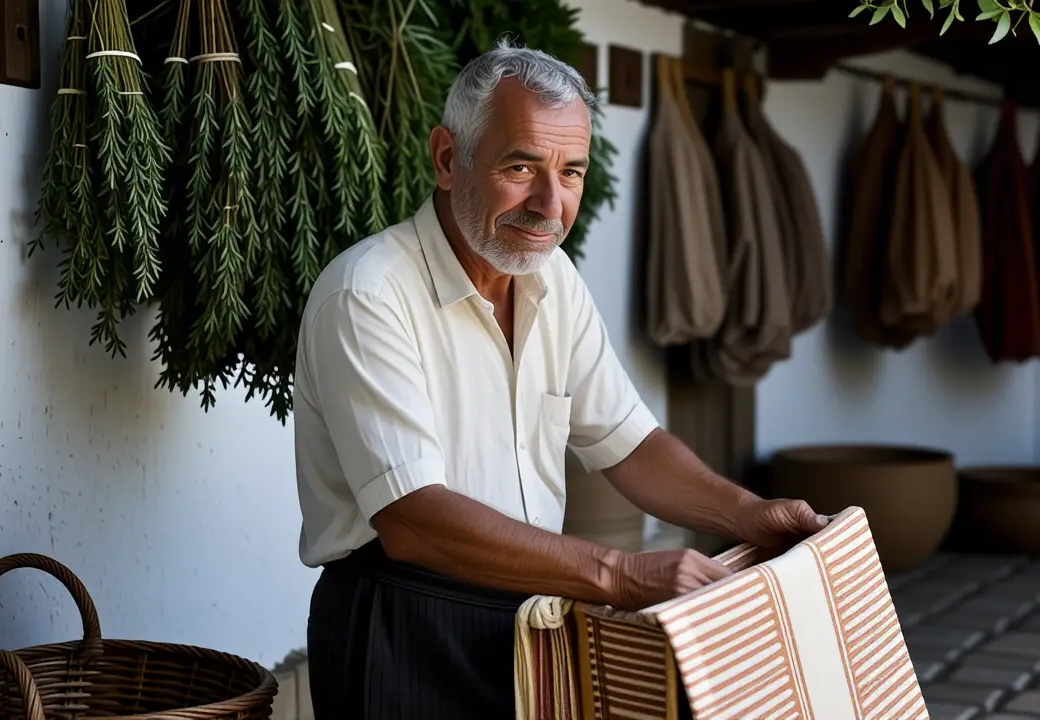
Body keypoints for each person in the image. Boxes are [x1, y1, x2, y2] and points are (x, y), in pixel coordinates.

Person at [293, 39, 829, 719]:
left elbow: (629, 444)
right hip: (401, 625)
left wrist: (745, 512)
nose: (550, 204)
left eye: (571, 171)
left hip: (531, 612)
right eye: (521, 166)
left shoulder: (553, 278)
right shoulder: (367, 293)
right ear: (448, 159)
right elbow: (413, 521)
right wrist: (620, 574)